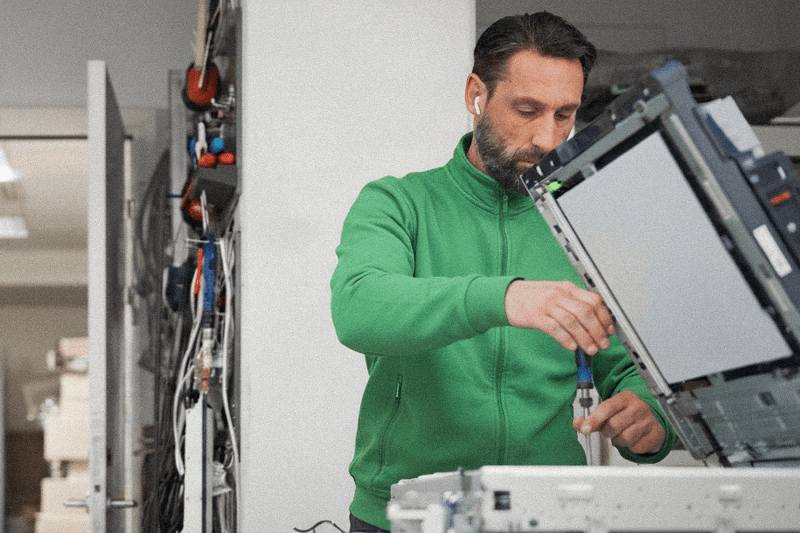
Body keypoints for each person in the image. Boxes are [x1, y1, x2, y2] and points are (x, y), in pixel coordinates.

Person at [330, 12, 676, 533]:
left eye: (565, 114)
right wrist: (507, 298)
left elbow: (625, 362)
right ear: (477, 93)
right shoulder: (398, 204)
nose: (547, 138)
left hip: (551, 515)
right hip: (406, 517)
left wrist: (650, 416)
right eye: (527, 109)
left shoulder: (588, 223)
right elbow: (359, 308)